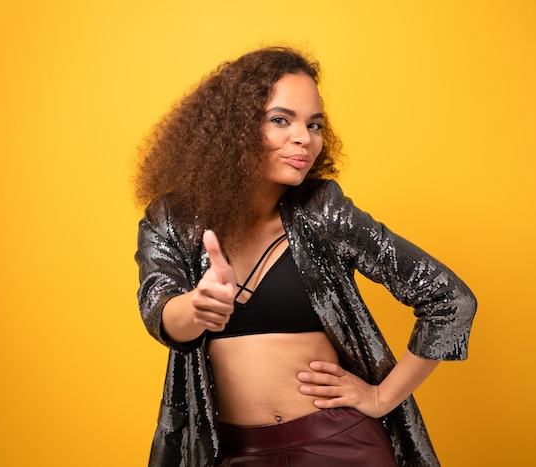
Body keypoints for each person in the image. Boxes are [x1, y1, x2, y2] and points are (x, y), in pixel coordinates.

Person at [134, 46, 476, 467]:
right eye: (281, 119)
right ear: (234, 129)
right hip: (233, 452)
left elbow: (450, 300)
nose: (304, 138)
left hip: (339, 443)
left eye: (314, 124)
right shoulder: (173, 219)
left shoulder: (324, 211)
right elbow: (159, 310)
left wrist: (380, 396)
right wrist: (197, 307)